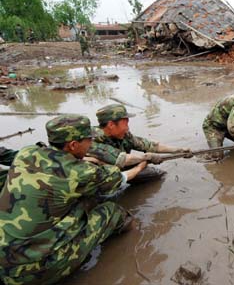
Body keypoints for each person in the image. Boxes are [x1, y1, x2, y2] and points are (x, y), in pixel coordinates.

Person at [0, 115, 148, 285]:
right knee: (111, 211)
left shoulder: (27, 153)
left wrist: (86, 159)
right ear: (73, 145)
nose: (91, 144)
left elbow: (57, 166)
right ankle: (134, 242)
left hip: (3, 258)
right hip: (31, 272)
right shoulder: (82, 173)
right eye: (89, 140)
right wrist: (141, 165)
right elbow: (120, 177)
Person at [87, 104, 191, 178]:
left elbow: (150, 146)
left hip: (120, 171)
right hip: (97, 180)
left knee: (158, 175)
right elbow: (122, 159)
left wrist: (179, 150)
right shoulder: (89, 140)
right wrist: (147, 157)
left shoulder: (123, 135)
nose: (127, 128)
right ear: (111, 125)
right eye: (125, 123)